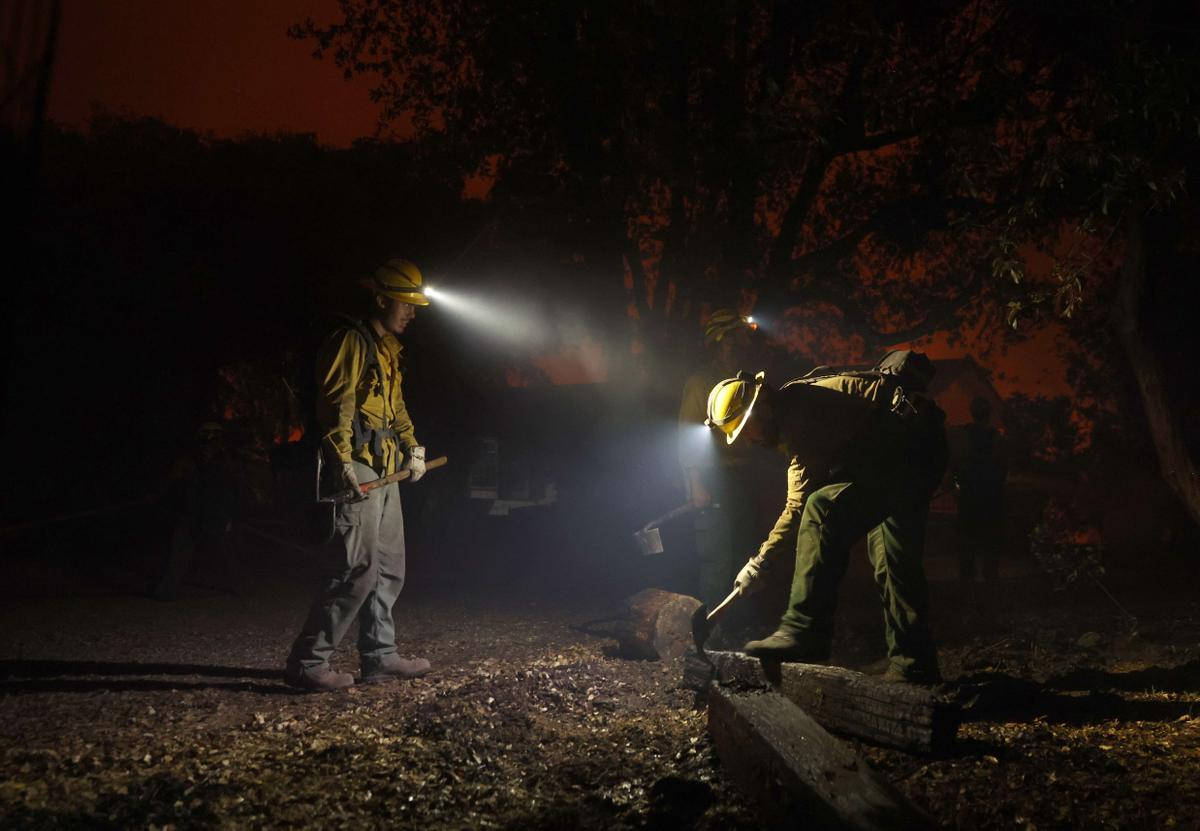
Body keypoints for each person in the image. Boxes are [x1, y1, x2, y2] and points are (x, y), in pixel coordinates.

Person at [705, 355, 947, 684]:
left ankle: (804, 632)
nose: (750, 439)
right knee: (891, 558)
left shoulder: (801, 416)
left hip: (911, 451)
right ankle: (913, 663)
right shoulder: (797, 408)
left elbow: (798, 504)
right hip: (906, 450)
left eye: (747, 428)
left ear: (761, 408)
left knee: (822, 509)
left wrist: (760, 563)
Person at [285, 257, 433, 692]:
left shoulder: (388, 350)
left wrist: (413, 446)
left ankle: (380, 657)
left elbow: (396, 407)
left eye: (414, 305)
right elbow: (336, 404)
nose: (411, 312)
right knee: (357, 569)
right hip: (360, 467)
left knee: (390, 568)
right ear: (381, 298)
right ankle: (308, 662)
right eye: (404, 303)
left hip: (388, 468)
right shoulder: (350, 340)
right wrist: (342, 462)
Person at [677, 309, 760, 609]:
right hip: (714, 477)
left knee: (746, 553)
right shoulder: (701, 382)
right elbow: (689, 436)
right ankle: (710, 628)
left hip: (746, 476)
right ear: (721, 341)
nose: (740, 344)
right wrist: (696, 483)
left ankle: (739, 623)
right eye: (735, 338)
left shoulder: (747, 380)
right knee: (717, 557)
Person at [152, 420, 244, 601]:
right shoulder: (192, 460)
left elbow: (233, 489)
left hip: (217, 513)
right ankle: (167, 590)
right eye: (207, 436)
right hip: (193, 513)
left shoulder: (227, 461)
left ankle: (241, 587)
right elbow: (174, 478)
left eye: (214, 437)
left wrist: (231, 516)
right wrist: (156, 494)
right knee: (180, 548)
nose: (210, 441)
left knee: (229, 552)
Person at [950, 396, 1007, 583]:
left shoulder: (963, 435)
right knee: (990, 537)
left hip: (970, 493)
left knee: (968, 537)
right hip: (990, 494)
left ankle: (968, 575)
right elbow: (1002, 466)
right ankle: (989, 575)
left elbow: (956, 462)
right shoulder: (997, 438)